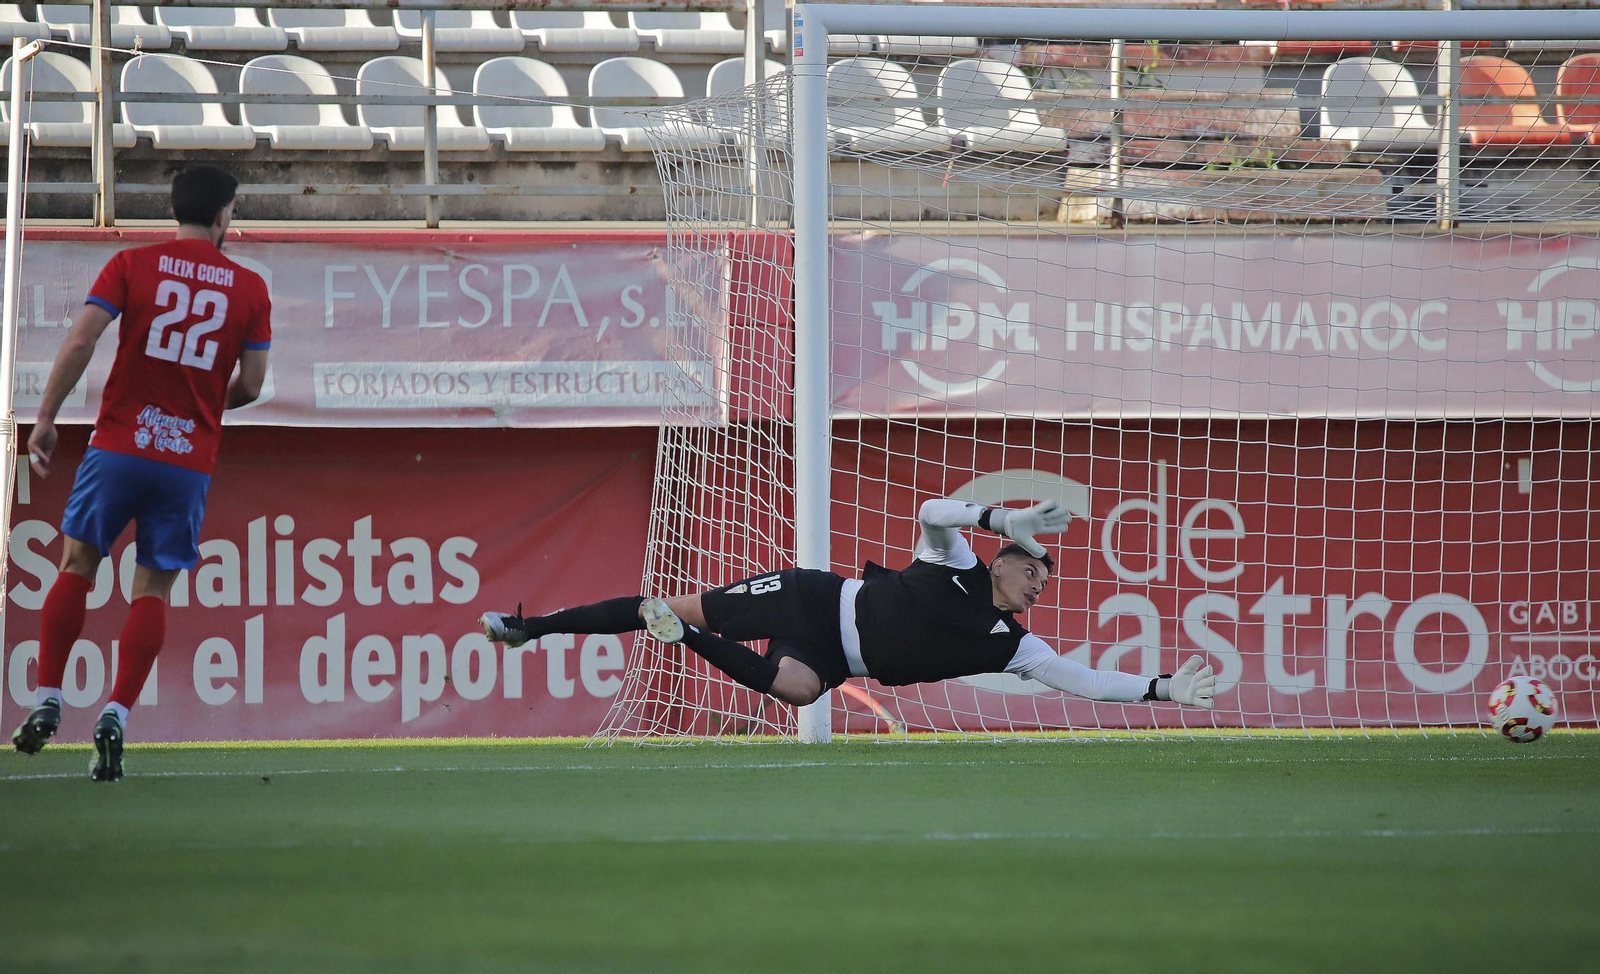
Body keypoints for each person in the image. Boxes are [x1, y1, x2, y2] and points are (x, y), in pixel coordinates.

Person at [10, 165, 272, 781]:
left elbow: (81, 341)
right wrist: (199, 407)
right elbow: (253, 385)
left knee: (77, 563)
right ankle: (116, 715)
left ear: (174, 210)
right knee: (152, 588)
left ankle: (49, 697)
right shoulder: (250, 288)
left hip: (120, 446)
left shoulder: (132, 265)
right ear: (222, 216)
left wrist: (45, 418)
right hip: (185, 461)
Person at [479, 497, 1217, 713]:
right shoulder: (958, 559)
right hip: (810, 596)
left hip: (834, 657)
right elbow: (932, 512)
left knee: (799, 691)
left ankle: (678, 639)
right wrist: (998, 516)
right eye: (1032, 571)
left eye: (1043, 586)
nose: (1037, 587)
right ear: (1002, 557)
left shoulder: (1012, 644)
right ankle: (527, 628)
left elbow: (1088, 681)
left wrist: (1162, 689)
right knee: (665, 602)